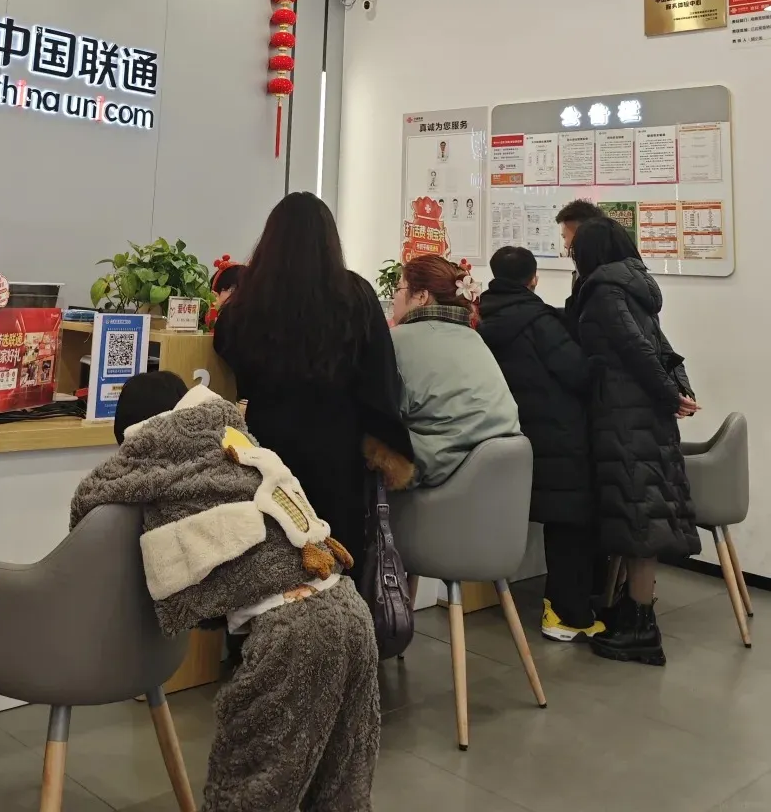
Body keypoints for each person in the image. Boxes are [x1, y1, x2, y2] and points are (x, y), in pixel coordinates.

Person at [74, 371, 380, 812]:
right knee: (339, 788)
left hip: (293, 635)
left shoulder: (149, 449)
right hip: (349, 607)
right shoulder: (236, 437)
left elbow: (88, 499)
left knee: (254, 786)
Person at [214, 192, 414, 571]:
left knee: (269, 568)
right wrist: (388, 447)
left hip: (267, 454)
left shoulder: (250, 303)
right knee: (339, 566)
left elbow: (226, 347)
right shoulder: (355, 295)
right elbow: (381, 379)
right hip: (339, 454)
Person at [571, 218, 699, 666]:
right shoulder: (635, 286)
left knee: (638, 520)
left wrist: (670, 395)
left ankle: (642, 629)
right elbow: (665, 349)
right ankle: (632, 612)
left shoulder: (604, 290)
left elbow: (637, 350)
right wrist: (680, 393)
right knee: (640, 513)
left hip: (624, 415)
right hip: (645, 415)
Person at [478, 246, 604, 641]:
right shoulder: (541, 321)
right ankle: (564, 614)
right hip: (557, 436)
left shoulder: (481, 320)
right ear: (533, 278)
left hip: (510, 436)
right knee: (570, 523)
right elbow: (579, 373)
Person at [390, 255, 520, 487]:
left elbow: (381, 411)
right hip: (497, 476)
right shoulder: (474, 338)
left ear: (422, 296)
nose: (393, 297)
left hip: (439, 471)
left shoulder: (397, 341)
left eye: (399, 288)